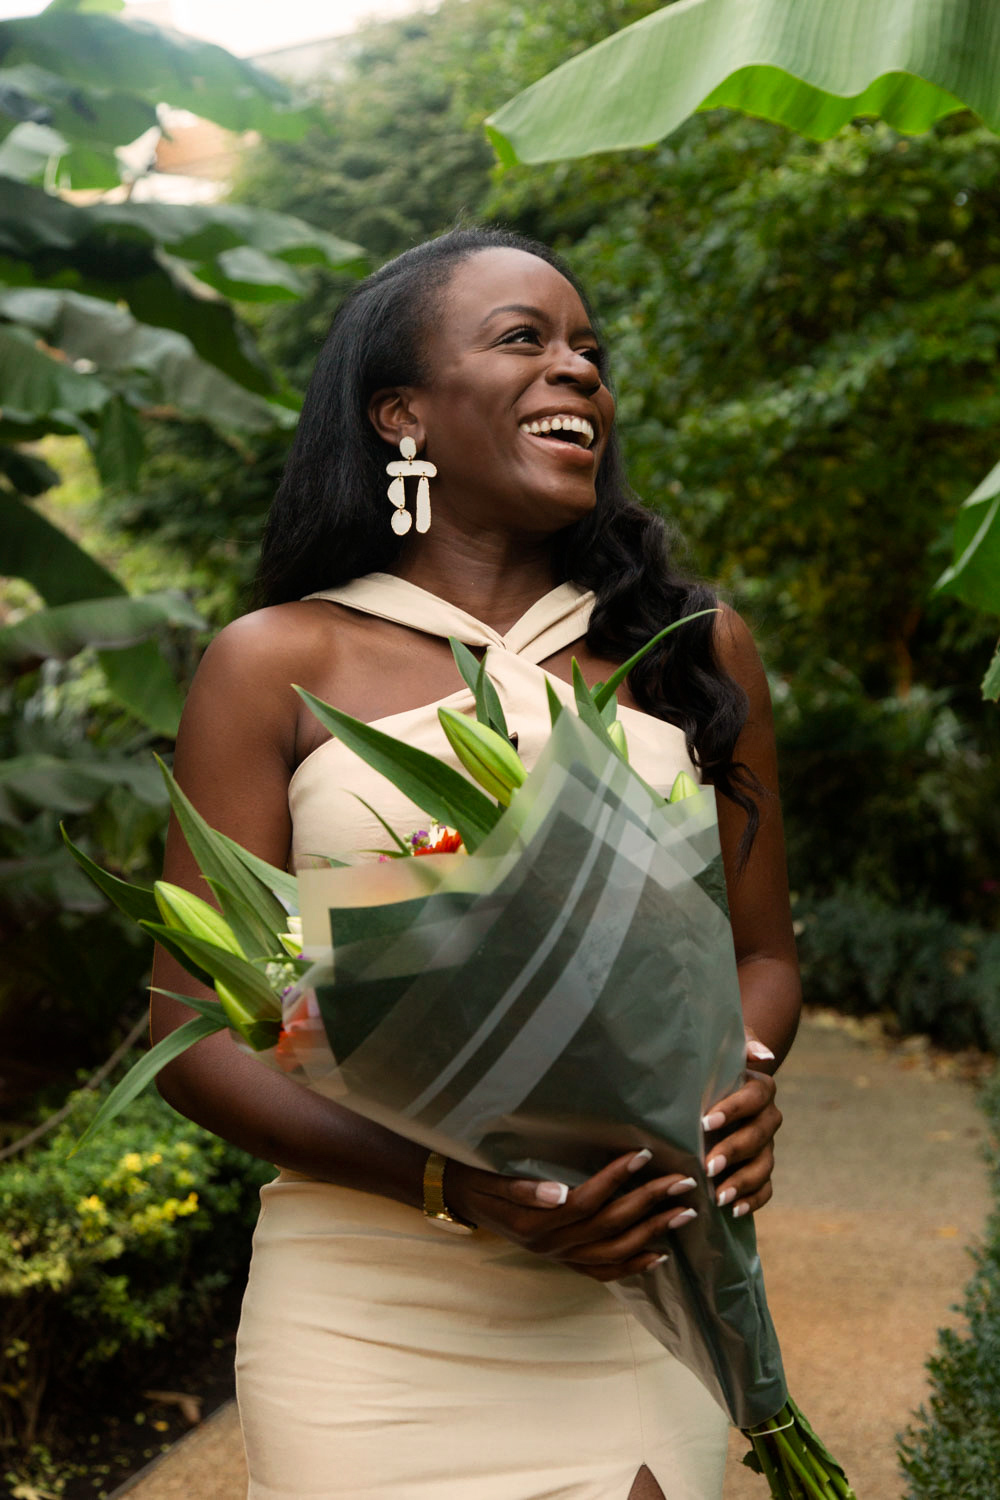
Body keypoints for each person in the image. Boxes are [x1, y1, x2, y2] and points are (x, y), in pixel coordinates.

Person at [151, 227, 800, 1500]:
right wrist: (453, 1184)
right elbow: (189, 1024)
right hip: (369, 1302)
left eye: (590, 355)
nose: (579, 374)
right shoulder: (275, 663)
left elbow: (760, 954)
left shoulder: (691, 650)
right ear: (403, 413)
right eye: (526, 341)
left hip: (631, 1282)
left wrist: (736, 1089)